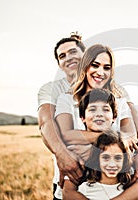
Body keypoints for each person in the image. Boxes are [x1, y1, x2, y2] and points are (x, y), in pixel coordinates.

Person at [55, 44, 138, 199]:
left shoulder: (119, 102)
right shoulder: (66, 99)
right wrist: (113, 139)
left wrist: (85, 142)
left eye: (107, 68)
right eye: (95, 65)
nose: (100, 72)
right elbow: (65, 135)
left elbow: (130, 137)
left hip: (118, 191)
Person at [62, 88, 138, 200]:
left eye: (105, 110)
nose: (99, 114)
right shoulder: (75, 150)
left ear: (114, 117)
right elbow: (68, 192)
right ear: (82, 118)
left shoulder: (122, 146)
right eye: (92, 109)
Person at [37, 32, 87, 200]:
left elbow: (135, 121)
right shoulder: (52, 89)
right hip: (68, 179)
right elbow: (46, 122)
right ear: (59, 64)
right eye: (62, 56)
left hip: (109, 182)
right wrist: (62, 155)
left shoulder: (108, 85)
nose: (68, 58)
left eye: (73, 52)